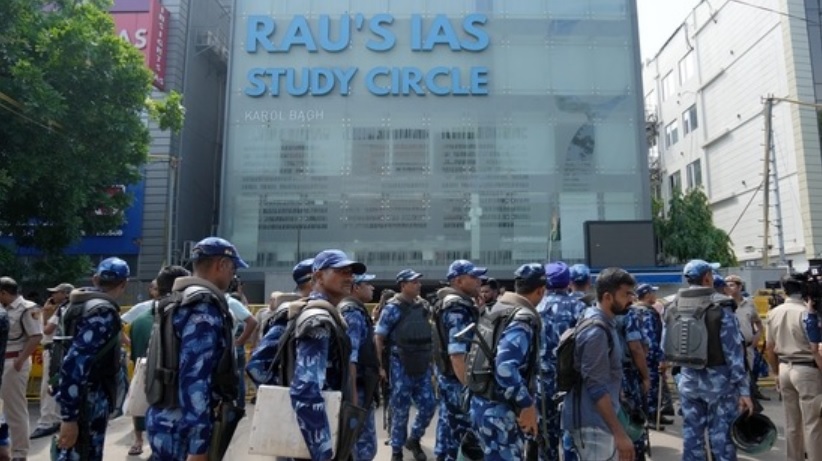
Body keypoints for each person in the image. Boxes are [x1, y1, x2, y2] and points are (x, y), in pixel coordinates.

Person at [145, 237, 246, 460]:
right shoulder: (203, 307)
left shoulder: (177, 299)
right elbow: (195, 379)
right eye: (233, 267)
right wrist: (198, 445)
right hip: (184, 427)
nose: (233, 275)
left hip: (167, 418)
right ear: (221, 264)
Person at [665, 260, 753, 461]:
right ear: (707, 277)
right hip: (719, 384)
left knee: (692, 437)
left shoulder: (672, 305)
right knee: (721, 438)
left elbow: (665, 347)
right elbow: (733, 352)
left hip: (687, 381)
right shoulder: (721, 305)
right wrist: (744, 390)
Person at [288, 249, 366, 461]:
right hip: (318, 436)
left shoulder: (321, 312)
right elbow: (305, 390)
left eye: (350, 272)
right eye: (341, 271)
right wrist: (323, 451)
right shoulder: (319, 319)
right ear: (318, 276)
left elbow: (258, 367)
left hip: (318, 427)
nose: (349, 277)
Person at [54, 258, 129, 461]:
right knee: (84, 453)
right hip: (88, 397)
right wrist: (69, 418)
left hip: (71, 392)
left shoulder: (74, 305)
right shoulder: (102, 311)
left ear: (95, 279)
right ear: (124, 283)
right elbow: (75, 363)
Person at [469, 263, 543, 461]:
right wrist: (526, 404)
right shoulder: (522, 319)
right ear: (541, 290)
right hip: (501, 412)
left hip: (482, 403)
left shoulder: (497, 309)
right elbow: (504, 367)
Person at [562, 267, 636, 461]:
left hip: (598, 422)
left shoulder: (605, 323)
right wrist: (619, 433)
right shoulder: (596, 331)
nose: (631, 299)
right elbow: (596, 387)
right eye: (626, 294)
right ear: (607, 297)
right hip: (594, 426)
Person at [375, 269, 436, 461]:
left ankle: (414, 438)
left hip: (422, 365)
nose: (418, 285)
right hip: (401, 365)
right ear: (403, 285)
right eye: (414, 282)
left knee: (429, 405)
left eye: (419, 281)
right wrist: (380, 366)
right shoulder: (392, 308)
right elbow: (379, 338)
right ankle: (396, 450)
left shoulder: (424, 306)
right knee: (400, 410)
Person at [128, 267, 189, 456]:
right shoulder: (186, 316)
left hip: (154, 400)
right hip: (177, 407)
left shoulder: (142, 318)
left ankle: (138, 439)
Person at [764, 274, 822, 461]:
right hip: (807, 369)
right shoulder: (806, 312)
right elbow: (816, 348)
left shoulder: (774, 312)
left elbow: (769, 347)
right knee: (812, 423)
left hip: (784, 368)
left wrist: (774, 372)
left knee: (792, 423)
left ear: (784, 290)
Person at [432, 260, 485, 461]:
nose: (479, 281)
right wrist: (469, 387)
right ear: (459, 280)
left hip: (448, 378)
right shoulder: (457, 308)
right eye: (474, 277)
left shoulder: (453, 302)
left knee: (448, 429)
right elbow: (457, 354)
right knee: (464, 436)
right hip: (457, 380)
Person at [536, 261, 584, 461]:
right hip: (571, 382)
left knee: (546, 436)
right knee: (572, 433)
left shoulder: (535, 308)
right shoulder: (579, 307)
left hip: (542, 381)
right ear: (568, 282)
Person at [0, 277, 43, 460]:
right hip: (4, 361)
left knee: (15, 409)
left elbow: (36, 335)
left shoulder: (27, 308)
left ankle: (20, 452)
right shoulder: (3, 309)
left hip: (13, 361)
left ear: (4, 292)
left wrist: (20, 360)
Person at [339, 273, 380, 461]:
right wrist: (354, 398)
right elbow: (351, 358)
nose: (372, 288)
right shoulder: (353, 313)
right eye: (368, 284)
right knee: (365, 446)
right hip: (359, 388)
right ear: (356, 288)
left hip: (362, 385)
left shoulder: (355, 310)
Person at [30, 283, 73, 440]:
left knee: (48, 386)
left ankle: (47, 422)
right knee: (60, 385)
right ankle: (58, 418)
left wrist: (46, 314)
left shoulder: (62, 309)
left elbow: (46, 330)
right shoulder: (72, 308)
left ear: (66, 294)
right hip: (65, 350)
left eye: (57, 293)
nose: (53, 296)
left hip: (55, 349)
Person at [614, 295, 651, 460]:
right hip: (627, 375)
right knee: (632, 420)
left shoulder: (596, 312)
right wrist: (646, 376)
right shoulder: (629, 315)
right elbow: (636, 348)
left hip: (605, 376)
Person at [633, 284, 672, 428]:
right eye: (652, 292)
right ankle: (650, 418)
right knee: (651, 389)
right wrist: (660, 358)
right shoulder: (646, 312)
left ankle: (656, 415)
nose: (655, 295)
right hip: (649, 358)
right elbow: (650, 339)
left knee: (651, 388)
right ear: (647, 294)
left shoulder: (635, 310)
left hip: (641, 357)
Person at [725, 274, 767, 401]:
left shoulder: (749, 304)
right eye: (726, 285)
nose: (728, 287)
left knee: (747, 379)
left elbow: (758, 322)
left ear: (739, 287)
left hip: (747, 348)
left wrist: (757, 337)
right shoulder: (723, 304)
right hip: (730, 349)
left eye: (732, 285)